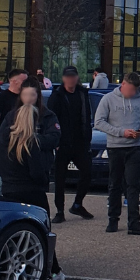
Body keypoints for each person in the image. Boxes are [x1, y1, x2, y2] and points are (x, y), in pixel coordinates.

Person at [0, 82, 64, 280]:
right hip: (31, 190)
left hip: (9, 188)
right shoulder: (30, 143)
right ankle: (51, 271)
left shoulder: (4, 141)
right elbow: (36, 172)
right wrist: (43, 180)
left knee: (15, 233)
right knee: (42, 232)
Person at [92, 74, 140, 234]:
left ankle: (134, 222)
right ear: (123, 84)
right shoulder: (108, 99)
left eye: (135, 90)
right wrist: (121, 132)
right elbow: (99, 122)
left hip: (135, 147)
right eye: (130, 90)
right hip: (115, 147)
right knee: (114, 184)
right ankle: (113, 219)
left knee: (133, 185)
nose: (132, 93)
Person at [47, 66, 94, 221]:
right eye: (68, 77)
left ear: (77, 77)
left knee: (87, 172)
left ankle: (77, 204)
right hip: (62, 143)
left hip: (80, 142)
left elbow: (86, 115)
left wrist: (87, 137)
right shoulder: (57, 95)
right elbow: (51, 118)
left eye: (73, 76)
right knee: (60, 178)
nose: (71, 79)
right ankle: (59, 211)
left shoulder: (82, 93)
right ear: (63, 78)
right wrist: (55, 139)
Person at [0, 68, 28, 195]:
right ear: (13, 81)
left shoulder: (25, 98)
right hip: (5, 146)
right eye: (24, 81)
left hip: (22, 145)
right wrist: (0, 142)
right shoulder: (1, 98)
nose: (27, 84)